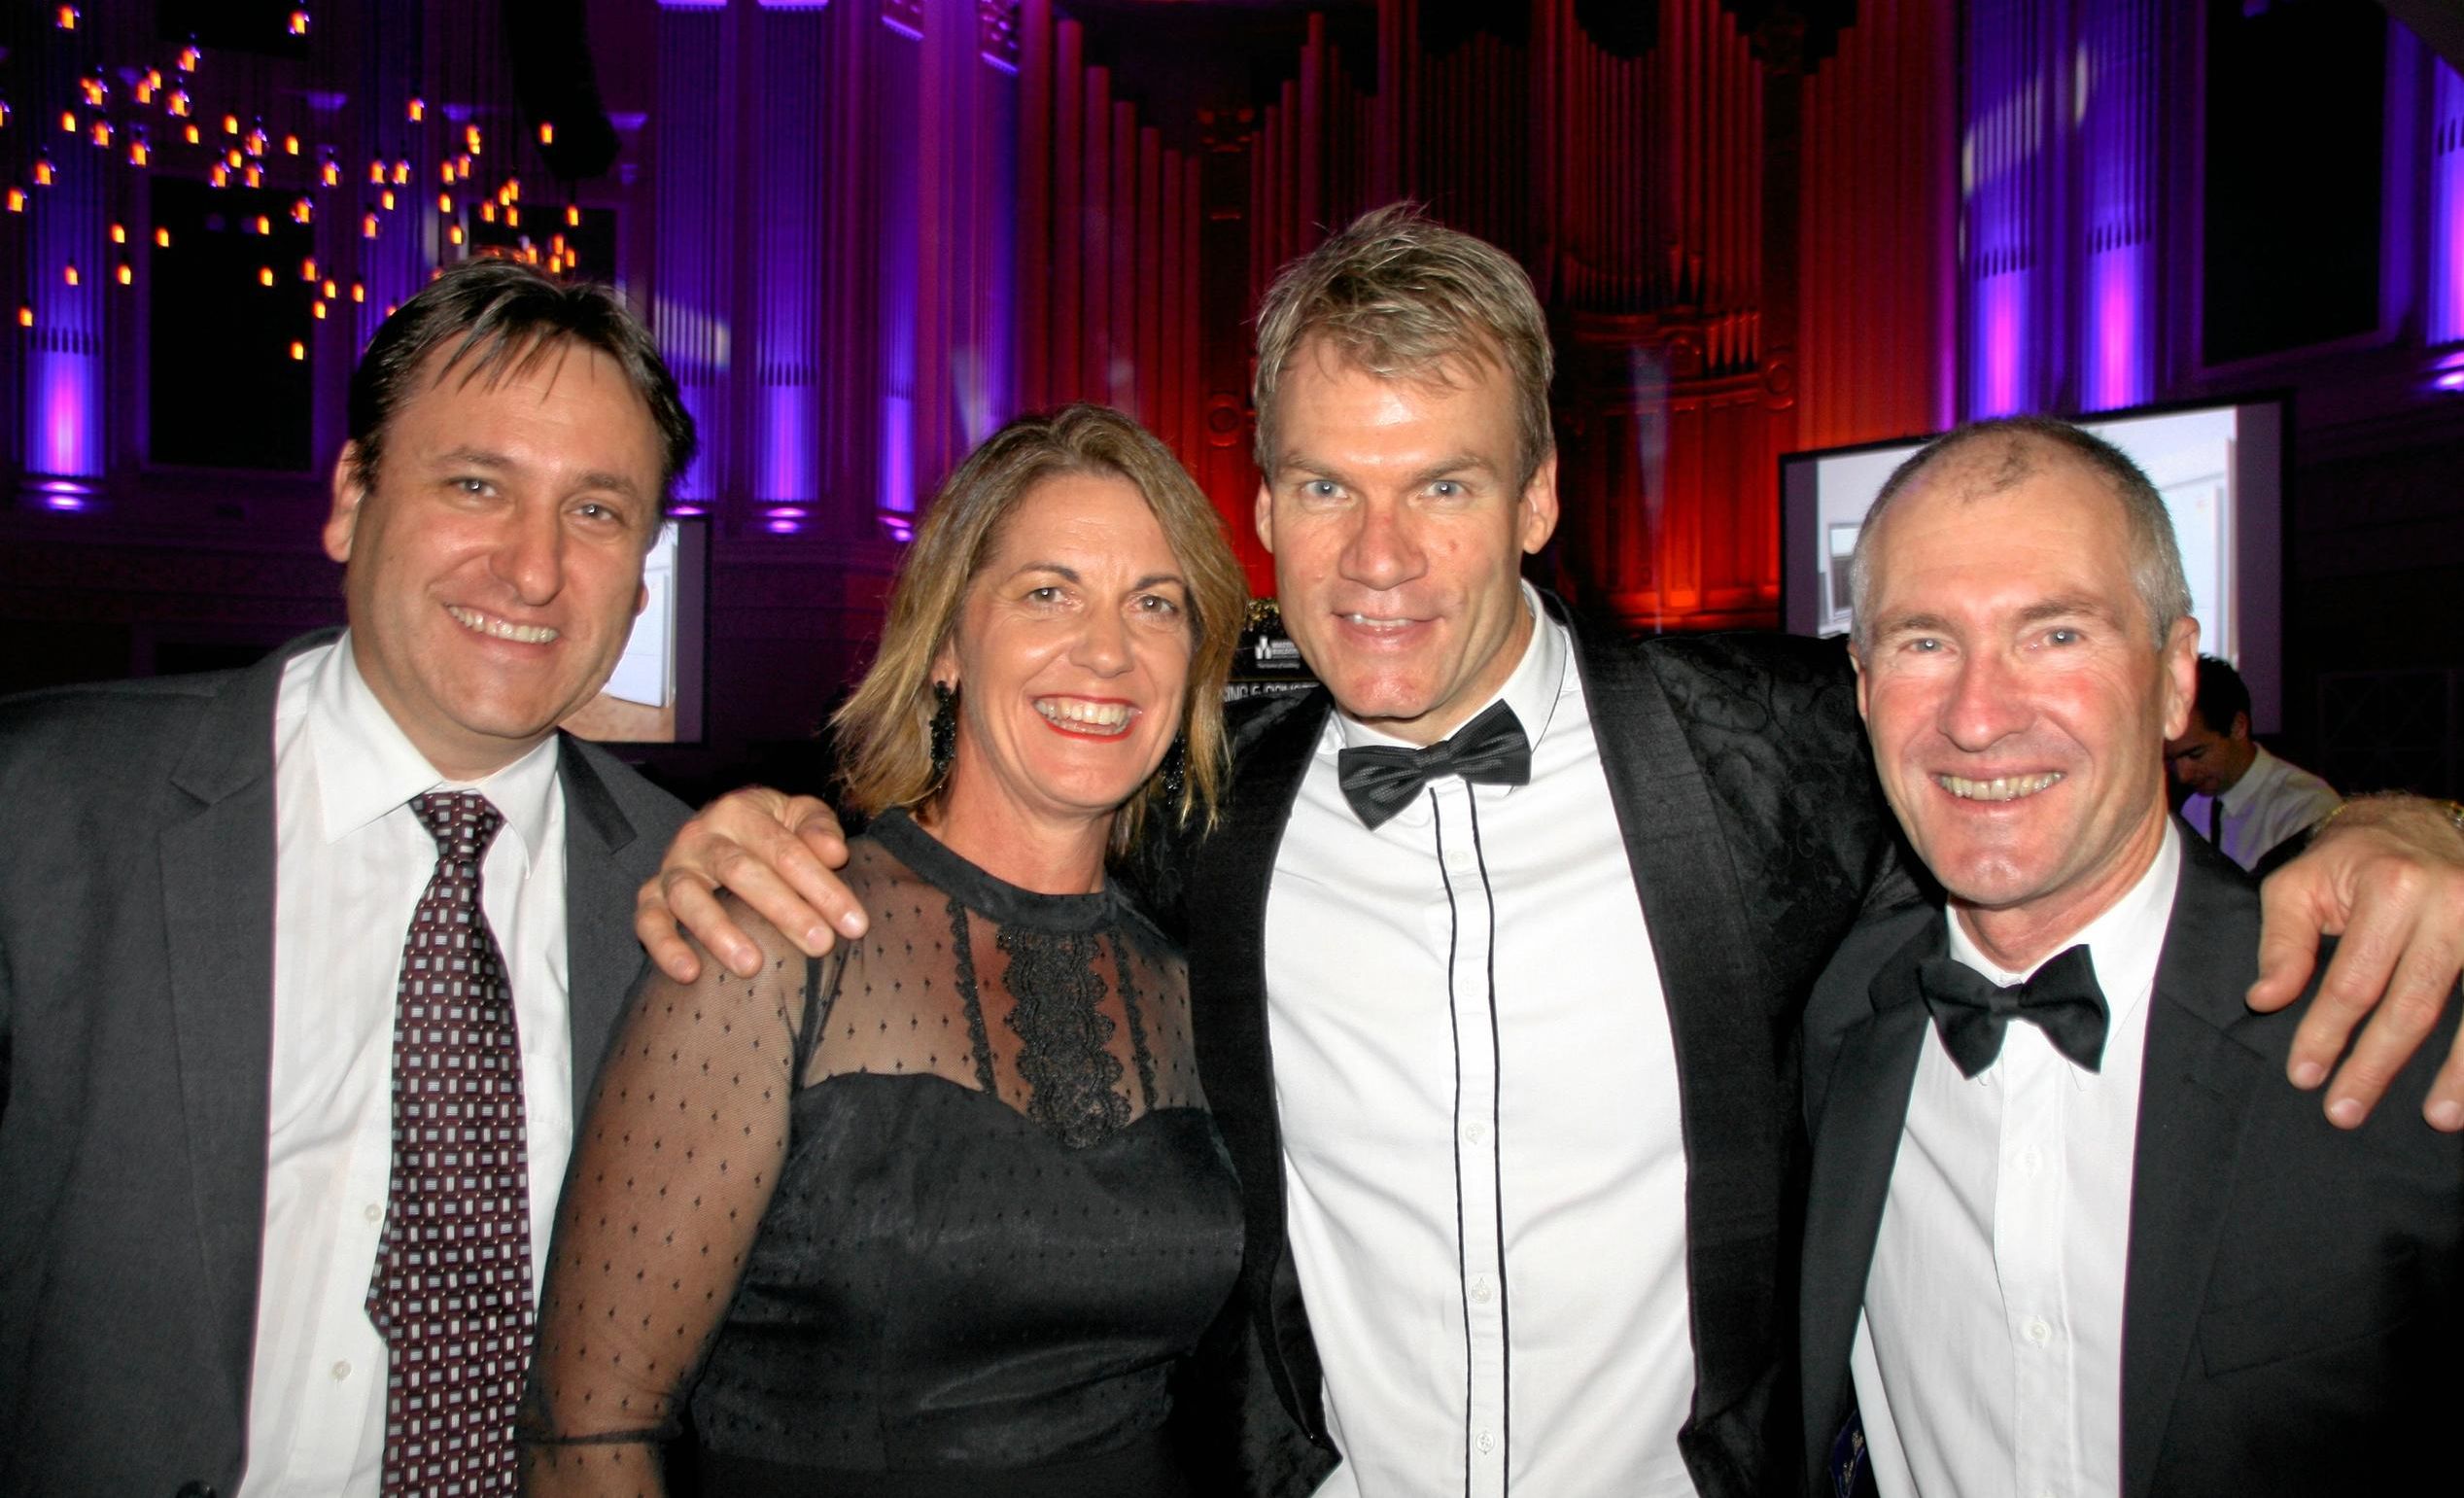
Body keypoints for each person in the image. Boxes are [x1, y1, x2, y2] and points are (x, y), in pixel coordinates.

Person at [635, 208, 2464, 1498]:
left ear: (1537, 500)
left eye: (1443, 486)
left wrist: (2411, 832)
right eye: (1329, 488)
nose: (1380, 558)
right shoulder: (1206, 805)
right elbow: (987, 825)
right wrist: (764, 834)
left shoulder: (1779, 752)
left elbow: (2029, 771)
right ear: (1262, 507)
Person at [0, 257, 697, 1498]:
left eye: (595, 512)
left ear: (643, 574)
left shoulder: (689, 903)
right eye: (476, 483)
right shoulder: (45, 809)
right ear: (350, 497)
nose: (533, 569)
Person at [519, 403, 1253, 1496]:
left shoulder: (1190, 977)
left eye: (1156, 603)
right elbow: (590, 1430)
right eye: (1048, 592)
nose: (1107, 649)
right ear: (949, 643)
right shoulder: (776, 933)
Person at [1797, 417, 2462, 1496]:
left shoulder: (2396, 1021)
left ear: (2173, 679)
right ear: (1864, 687)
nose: (1978, 716)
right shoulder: (1829, 1012)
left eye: (2056, 634)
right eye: (1925, 641)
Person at [2167, 653, 2341, 871]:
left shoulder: (2305, 806)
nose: (2183, 775)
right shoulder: (2194, 807)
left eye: (2196, 754)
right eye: (2171, 760)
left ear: (2238, 727)